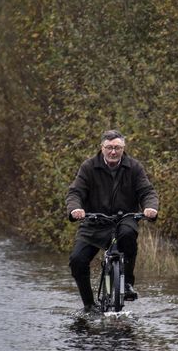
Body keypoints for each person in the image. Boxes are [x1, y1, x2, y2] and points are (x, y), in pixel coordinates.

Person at [66, 130, 159, 310]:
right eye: (109, 148)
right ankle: (89, 304)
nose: (113, 152)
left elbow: (147, 191)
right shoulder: (89, 167)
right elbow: (75, 192)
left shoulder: (134, 167)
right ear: (102, 148)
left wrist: (150, 207)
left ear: (123, 148)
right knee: (77, 260)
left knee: (128, 234)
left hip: (124, 219)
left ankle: (126, 284)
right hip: (94, 222)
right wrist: (75, 209)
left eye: (117, 148)